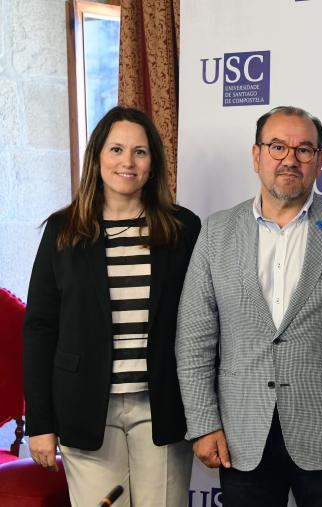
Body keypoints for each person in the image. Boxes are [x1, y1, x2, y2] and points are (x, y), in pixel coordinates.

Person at [175, 106, 322, 507]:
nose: (290, 159)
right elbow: (194, 337)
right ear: (256, 156)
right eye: (278, 147)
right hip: (241, 432)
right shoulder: (217, 231)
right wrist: (202, 424)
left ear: (319, 160)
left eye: (304, 150)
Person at [22, 106, 201, 506]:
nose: (127, 162)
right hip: (85, 410)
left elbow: (203, 323)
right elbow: (39, 329)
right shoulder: (64, 230)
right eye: (116, 149)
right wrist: (40, 424)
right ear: (98, 157)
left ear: (153, 163)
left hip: (162, 408)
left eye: (140, 152)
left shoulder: (183, 229)